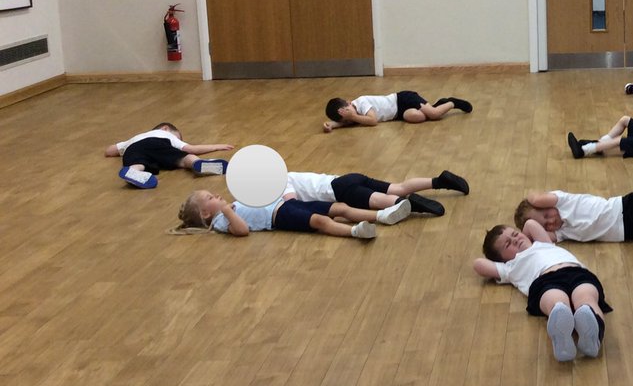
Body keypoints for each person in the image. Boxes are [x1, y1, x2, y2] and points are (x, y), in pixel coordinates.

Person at [472, 225, 611, 362]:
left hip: (576, 272)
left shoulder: (543, 243)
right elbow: (478, 264)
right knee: (556, 301)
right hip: (545, 280)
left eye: (515, 234)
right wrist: (498, 261)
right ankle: (562, 331)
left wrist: (522, 238)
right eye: (508, 244)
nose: (515, 240)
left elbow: (530, 224)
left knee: (586, 298)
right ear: (502, 259)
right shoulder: (509, 267)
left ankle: (592, 335)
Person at [173, 188, 413, 238]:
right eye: (210, 198)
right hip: (278, 217)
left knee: (339, 208)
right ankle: (354, 231)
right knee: (320, 221)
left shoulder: (228, 208)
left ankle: (381, 216)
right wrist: (226, 211)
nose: (217, 196)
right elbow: (243, 230)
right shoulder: (221, 222)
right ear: (206, 214)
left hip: (284, 204)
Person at [285, 169, 469, 216]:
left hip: (339, 191)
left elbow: (292, 204)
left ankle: (409, 203)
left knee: (379, 201)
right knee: (398, 187)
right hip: (347, 178)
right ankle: (439, 180)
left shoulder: (280, 183)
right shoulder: (288, 174)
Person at [104, 122, 232, 189]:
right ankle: (197, 163)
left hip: (132, 149)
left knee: (138, 163)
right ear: (165, 128)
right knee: (183, 158)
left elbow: (109, 151)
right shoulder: (166, 135)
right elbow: (191, 148)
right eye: (178, 137)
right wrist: (216, 146)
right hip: (158, 144)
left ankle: (133, 172)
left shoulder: (134, 138)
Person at [323, 89, 472, 130]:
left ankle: (452, 103)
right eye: (347, 119)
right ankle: (440, 103)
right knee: (416, 117)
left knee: (434, 115)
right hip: (398, 113)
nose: (350, 119)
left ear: (349, 103)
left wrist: (353, 117)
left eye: (349, 114)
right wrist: (334, 125)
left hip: (403, 99)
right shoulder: (353, 114)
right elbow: (350, 122)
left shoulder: (361, 102)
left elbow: (373, 120)